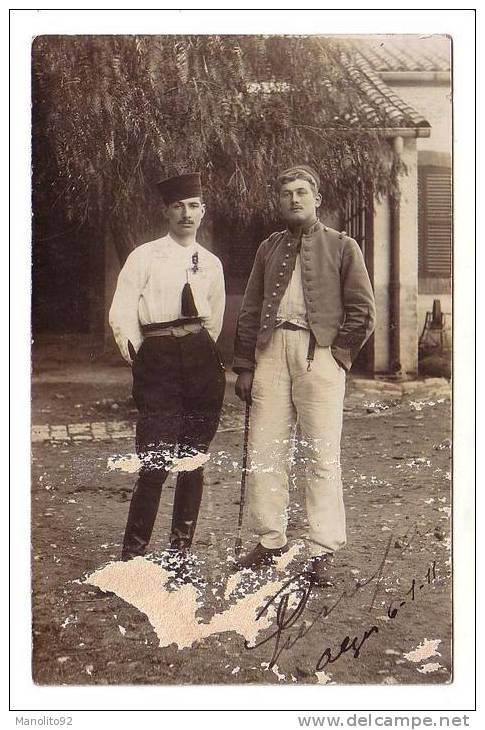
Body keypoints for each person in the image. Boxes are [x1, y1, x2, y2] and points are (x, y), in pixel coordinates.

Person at [233, 164, 376, 584]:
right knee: (266, 449)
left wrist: (339, 354)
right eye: (286, 195)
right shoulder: (268, 248)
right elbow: (250, 309)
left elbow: (363, 311)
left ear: (316, 199)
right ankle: (270, 539)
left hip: (320, 356)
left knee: (321, 454)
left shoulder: (342, 245)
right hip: (271, 353)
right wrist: (244, 365)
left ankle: (321, 549)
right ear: (279, 202)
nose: (294, 200)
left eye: (301, 192)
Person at [109, 172, 226, 563]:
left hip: (200, 361)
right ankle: (133, 556)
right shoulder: (144, 256)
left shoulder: (211, 263)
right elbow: (122, 313)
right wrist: (143, 359)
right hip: (157, 359)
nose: (186, 214)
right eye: (178, 206)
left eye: (193, 206)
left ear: (203, 211)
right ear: (166, 211)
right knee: (155, 461)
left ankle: (180, 554)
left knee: (192, 460)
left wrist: (199, 355)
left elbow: (215, 322)